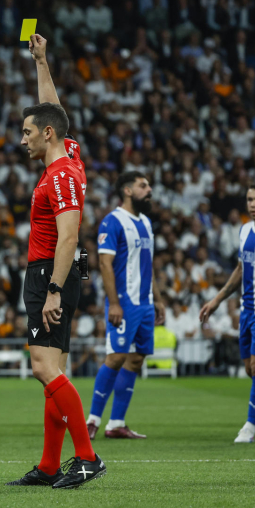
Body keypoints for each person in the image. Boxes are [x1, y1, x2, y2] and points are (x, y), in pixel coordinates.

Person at [6, 34, 105, 490]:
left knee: (43, 368)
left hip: (51, 270)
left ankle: (86, 457)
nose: (21, 138)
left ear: (45, 136)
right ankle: (49, 465)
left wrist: (52, 290)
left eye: (27, 131)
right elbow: (55, 114)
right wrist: (42, 63)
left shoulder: (61, 176)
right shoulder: (68, 155)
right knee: (54, 370)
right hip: (55, 271)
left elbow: (69, 236)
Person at [86, 171, 166, 439]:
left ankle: (116, 423)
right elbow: (104, 264)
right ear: (127, 191)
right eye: (143, 185)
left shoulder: (145, 222)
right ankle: (93, 420)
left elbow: (148, 265)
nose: (149, 189)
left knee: (136, 359)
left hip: (145, 304)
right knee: (116, 357)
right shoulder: (113, 221)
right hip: (125, 303)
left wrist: (158, 299)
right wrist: (114, 304)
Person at [200, 184, 255, 443]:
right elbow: (241, 269)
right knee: (248, 369)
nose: (252, 204)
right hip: (247, 310)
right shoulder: (245, 231)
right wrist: (217, 299)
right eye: (249, 199)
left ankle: (250, 426)